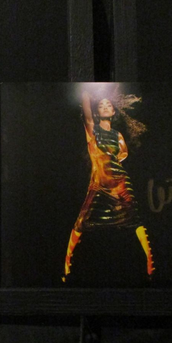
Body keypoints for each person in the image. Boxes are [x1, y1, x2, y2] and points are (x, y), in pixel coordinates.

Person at [63, 90, 154, 282]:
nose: (105, 107)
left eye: (108, 105)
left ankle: (150, 269)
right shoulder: (93, 131)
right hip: (99, 183)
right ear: (97, 111)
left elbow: (121, 156)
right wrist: (85, 94)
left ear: (113, 112)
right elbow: (87, 117)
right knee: (83, 221)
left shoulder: (118, 135)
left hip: (120, 183)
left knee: (134, 219)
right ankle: (67, 269)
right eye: (101, 105)